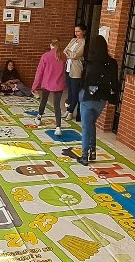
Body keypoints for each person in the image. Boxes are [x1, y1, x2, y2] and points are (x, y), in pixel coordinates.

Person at [77, 35, 119, 166]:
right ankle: (93, 150)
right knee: (91, 123)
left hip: (88, 98)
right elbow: (115, 82)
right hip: (102, 99)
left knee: (86, 126)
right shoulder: (112, 63)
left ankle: (84, 156)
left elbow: (83, 81)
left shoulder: (89, 62)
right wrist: (114, 98)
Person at [32, 38, 67, 137]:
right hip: (59, 84)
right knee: (57, 105)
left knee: (44, 100)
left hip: (47, 83)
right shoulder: (63, 56)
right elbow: (65, 72)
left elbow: (39, 72)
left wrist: (35, 86)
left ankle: (39, 118)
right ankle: (58, 127)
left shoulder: (46, 56)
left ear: (51, 45)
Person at [63, 23, 87, 121]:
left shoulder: (84, 43)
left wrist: (70, 54)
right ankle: (68, 109)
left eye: (78, 31)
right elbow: (65, 51)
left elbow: (76, 55)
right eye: (75, 31)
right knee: (69, 91)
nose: (76, 33)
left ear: (83, 32)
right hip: (68, 68)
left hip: (76, 70)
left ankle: (71, 111)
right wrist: (69, 54)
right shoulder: (73, 40)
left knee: (75, 92)